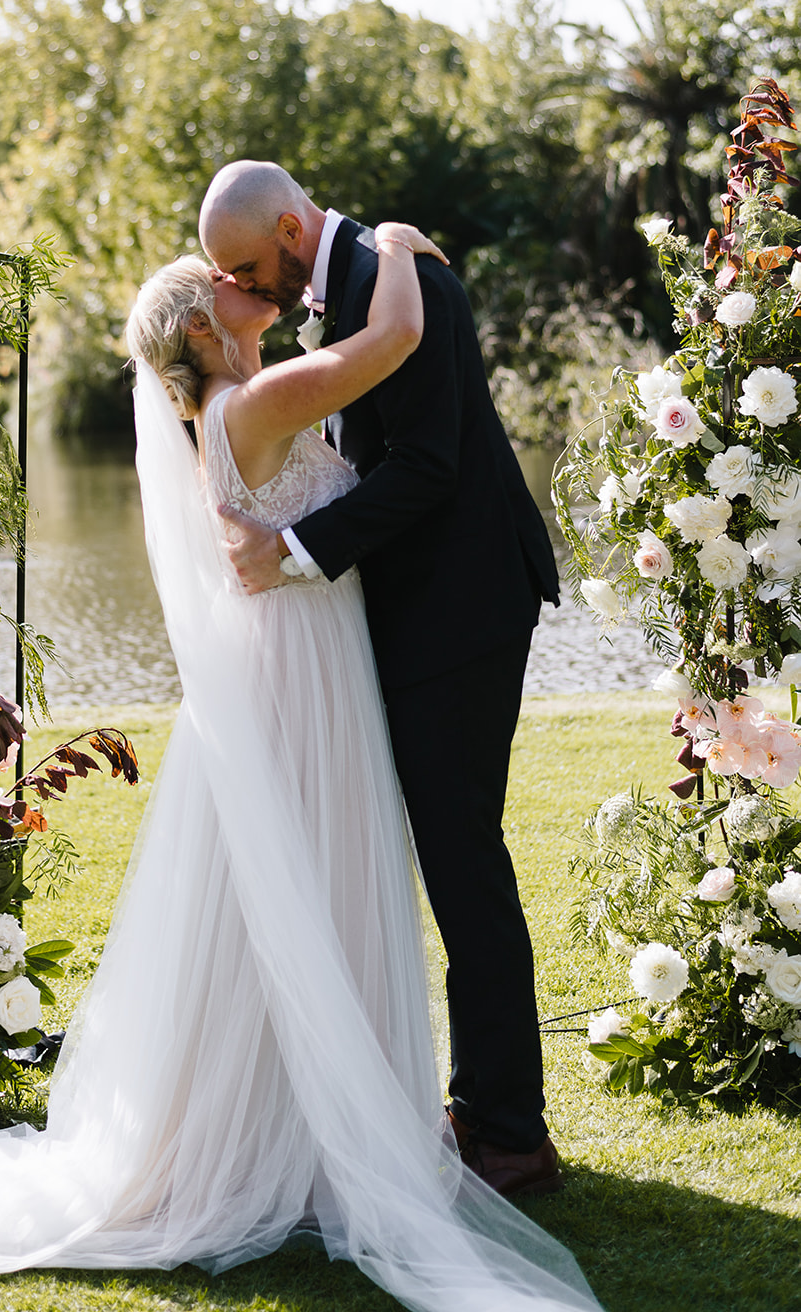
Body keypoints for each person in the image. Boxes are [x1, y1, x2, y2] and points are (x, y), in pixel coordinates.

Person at [0, 230, 598, 1312]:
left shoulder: (235, 407)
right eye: (219, 287)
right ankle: (308, 1130)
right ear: (201, 329)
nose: (241, 286)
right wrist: (394, 242)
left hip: (307, 662)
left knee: (304, 887)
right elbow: (394, 336)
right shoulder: (250, 408)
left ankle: (309, 1121)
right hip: (304, 674)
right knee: (311, 878)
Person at [199, 161, 561, 1197]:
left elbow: (429, 463)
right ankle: (473, 1099)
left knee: (462, 862)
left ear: (286, 224)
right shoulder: (356, 278)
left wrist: (297, 549)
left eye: (243, 264)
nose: (243, 285)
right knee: (445, 857)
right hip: (414, 612)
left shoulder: (401, 280)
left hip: (463, 608)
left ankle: (506, 1134)